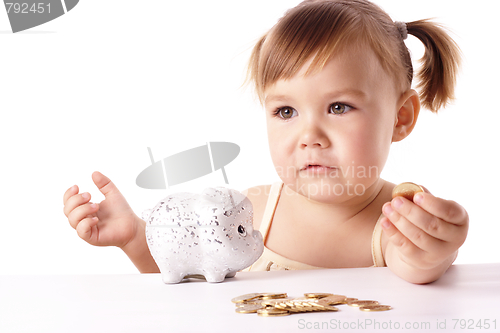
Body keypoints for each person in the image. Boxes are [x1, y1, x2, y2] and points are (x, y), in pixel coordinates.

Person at [63, 0, 468, 284]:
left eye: (339, 107)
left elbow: (417, 265)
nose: (309, 137)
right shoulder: (251, 210)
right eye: (286, 112)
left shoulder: (396, 221)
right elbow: (187, 281)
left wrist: (435, 250)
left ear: (401, 117)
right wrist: (136, 238)